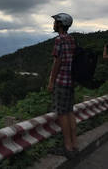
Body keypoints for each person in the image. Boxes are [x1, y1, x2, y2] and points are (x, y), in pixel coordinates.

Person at [48, 13, 77, 159]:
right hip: (71, 82)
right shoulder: (72, 39)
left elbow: (57, 63)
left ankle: (67, 147)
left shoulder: (59, 40)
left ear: (60, 24)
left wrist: (51, 81)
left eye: (55, 22)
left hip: (62, 82)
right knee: (70, 112)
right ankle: (74, 144)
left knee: (62, 114)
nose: (53, 24)